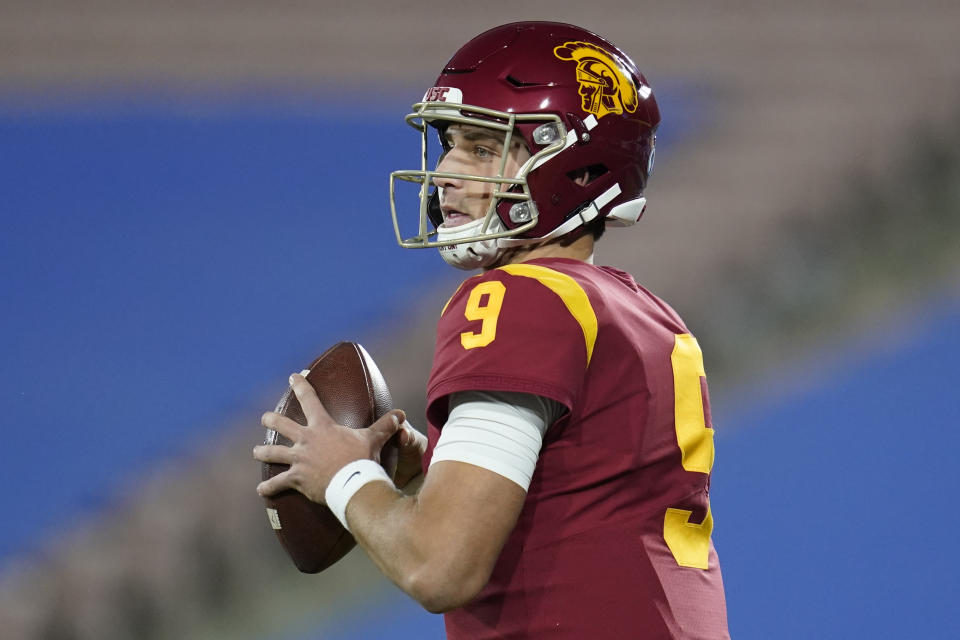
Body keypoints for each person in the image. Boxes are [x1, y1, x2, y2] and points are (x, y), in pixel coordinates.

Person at [254, 21, 729, 639]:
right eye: (451, 142)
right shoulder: (641, 308)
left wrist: (343, 475)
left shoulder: (515, 299)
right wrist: (441, 466)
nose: (448, 169)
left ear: (572, 161)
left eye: (482, 147)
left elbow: (439, 567)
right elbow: (586, 493)